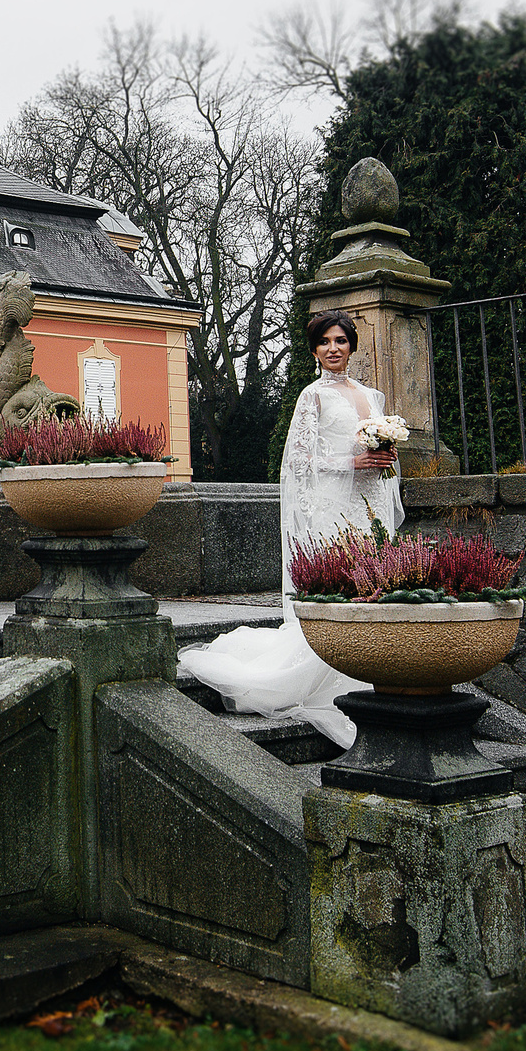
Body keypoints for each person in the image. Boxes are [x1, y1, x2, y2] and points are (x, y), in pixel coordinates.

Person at [177, 310, 403, 746]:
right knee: (341, 589)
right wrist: (352, 461)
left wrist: (385, 456)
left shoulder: (371, 396)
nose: (333, 349)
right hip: (333, 506)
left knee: (374, 586)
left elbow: (376, 448)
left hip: (371, 502)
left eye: (340, 341)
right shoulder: (311, 396)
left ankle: (371, 667)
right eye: (325, 342)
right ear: (314, 351)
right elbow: (297, 462)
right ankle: (327, 675)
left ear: (352, 346)